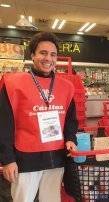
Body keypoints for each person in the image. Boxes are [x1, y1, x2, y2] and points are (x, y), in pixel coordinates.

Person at [0, 32, 78, 202]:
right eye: (43, 53)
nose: (48, 58)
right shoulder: (13, 83)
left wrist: (71, 139)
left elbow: (71, 120)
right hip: (25, 158)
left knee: (51, 199)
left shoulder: (66, 86)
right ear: (33, 55)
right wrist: (7, 160)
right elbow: (4, 124)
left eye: (53, 54)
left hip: (56, 157)